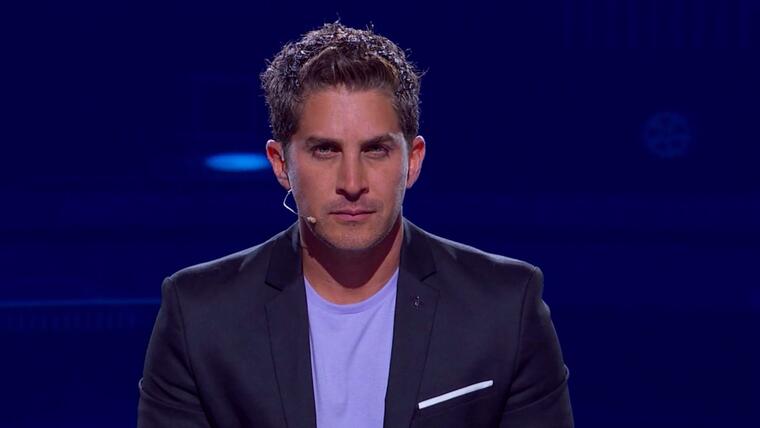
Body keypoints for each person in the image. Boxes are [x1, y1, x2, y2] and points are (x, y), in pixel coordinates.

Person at [137, 22, 573, 428]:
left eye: (375, 150)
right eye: (325, 150)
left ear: (412, 161)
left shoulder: (504, 307)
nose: (352, 183)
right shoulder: (200, 315)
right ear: (281, 163)